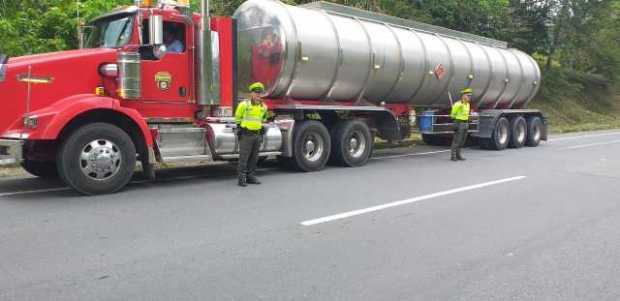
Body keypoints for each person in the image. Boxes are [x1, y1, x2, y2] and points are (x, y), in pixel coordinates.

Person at [235, 82, 269, 187]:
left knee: (254, 158)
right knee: (244, 158)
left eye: (260, 93)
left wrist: (261, 127)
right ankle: (241, 178)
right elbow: (237, 117)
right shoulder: (244, 105)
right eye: (256, 92)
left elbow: (263, 118)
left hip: (257, 135)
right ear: (251, 93)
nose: (258, 94)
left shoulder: (264, 107)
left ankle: (251, 177)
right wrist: (240, 128)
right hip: (246, 134)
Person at [450, 88, 472, 161]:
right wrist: (456, 120)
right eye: (468, 95)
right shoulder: (457, 104)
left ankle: (458, 155)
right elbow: (452, 115)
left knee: (462, 140)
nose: (469, 97)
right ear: (463, 96)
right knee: (457, 140)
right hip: (459, 123)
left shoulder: (468, 104)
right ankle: (453, 156)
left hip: (465, 123)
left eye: (470, 96)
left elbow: (467, 114)